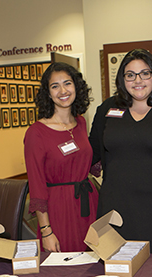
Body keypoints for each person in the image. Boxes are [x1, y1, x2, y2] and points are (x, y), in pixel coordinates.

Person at [89, 48, 152, 254]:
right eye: (130, 75)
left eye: (145, 73)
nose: (138, 80)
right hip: (118, 207)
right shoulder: (107, 109)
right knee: (119, 268)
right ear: (122, 79)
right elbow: (91, 151)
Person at [24, 62, 99, 252]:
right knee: (66, 269)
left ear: (76, 87)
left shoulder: (81, 122)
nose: (62, 90)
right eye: (55, 86)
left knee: (93, 264)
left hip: (88, 205)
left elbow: (86, 161)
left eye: (67, 83)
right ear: (48, 93)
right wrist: (46, 231)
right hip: (59, 210)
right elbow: (37, 186)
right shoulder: (36, 133)